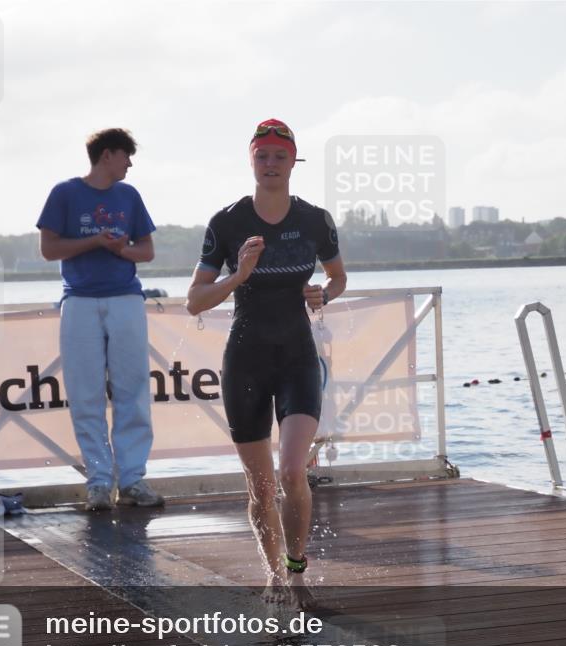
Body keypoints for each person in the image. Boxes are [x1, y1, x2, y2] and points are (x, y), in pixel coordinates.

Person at [186, 119, 347, 605]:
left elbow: (338, 278)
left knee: (292, 472)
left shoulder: (315, 220)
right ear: (251, 161)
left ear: (293, 162)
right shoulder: (227, 222)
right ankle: (273, 574)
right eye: (263, 156)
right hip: (246, 362)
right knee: (260, 487)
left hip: (297, 358)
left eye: (280, 156)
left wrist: (323, 294)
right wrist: (239, 275)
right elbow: (195, 300)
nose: (271, 165)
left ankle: (296, 572)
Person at [36, 128, 164, 511]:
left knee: (132, 391)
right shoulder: (65, 193)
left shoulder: (129, 196)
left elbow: (147, 251)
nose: (130, 164)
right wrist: (94, 241)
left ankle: (133, 480)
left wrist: (119, 249)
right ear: (107, 155)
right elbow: (48, 249)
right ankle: (98, 483)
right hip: (79, 301)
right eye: (126, 156)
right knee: (85, 394)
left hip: (126, 299)